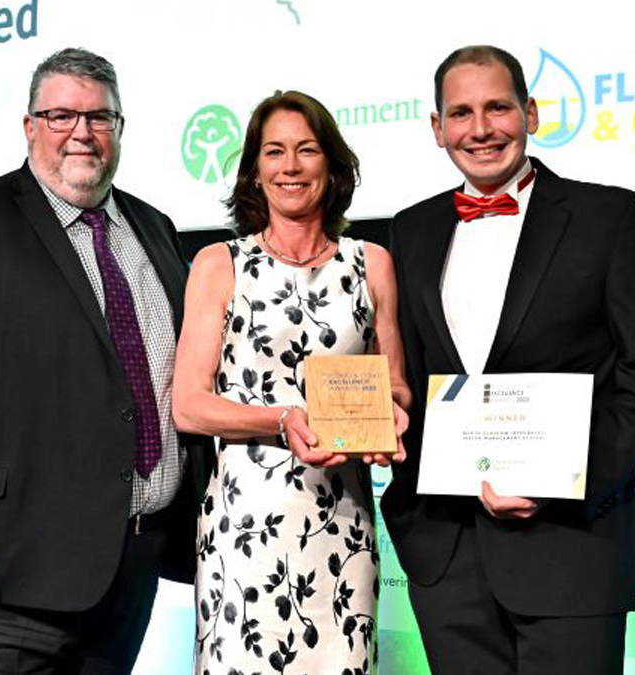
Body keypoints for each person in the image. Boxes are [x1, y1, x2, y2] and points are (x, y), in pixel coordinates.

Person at [0, 47, 204, 674]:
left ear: (120, 130)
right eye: (60, 115)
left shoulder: (155, 228)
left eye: (101, 118)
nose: (82, 132)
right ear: (30, 127)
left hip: (124, 581)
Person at [383, 45, 635, 675]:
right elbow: (408, 379)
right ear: (437, 128)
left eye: (498, 107)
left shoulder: (608, 216)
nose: (480, 128)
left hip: (570, 547)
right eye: (461, 112)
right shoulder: (410, 230)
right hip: (446, 549)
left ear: (530, 112)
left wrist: (562, 476)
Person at [173, 90, 411, 675]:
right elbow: (189, 405)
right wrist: (281, 420)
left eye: (307, 150)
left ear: (332, 166)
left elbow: (395, 385)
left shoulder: (371, 262)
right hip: (245, 525)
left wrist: (396, 414)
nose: (291, 166)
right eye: (274, 151)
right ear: (255, 171)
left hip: (344, 523)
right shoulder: (219, 263)